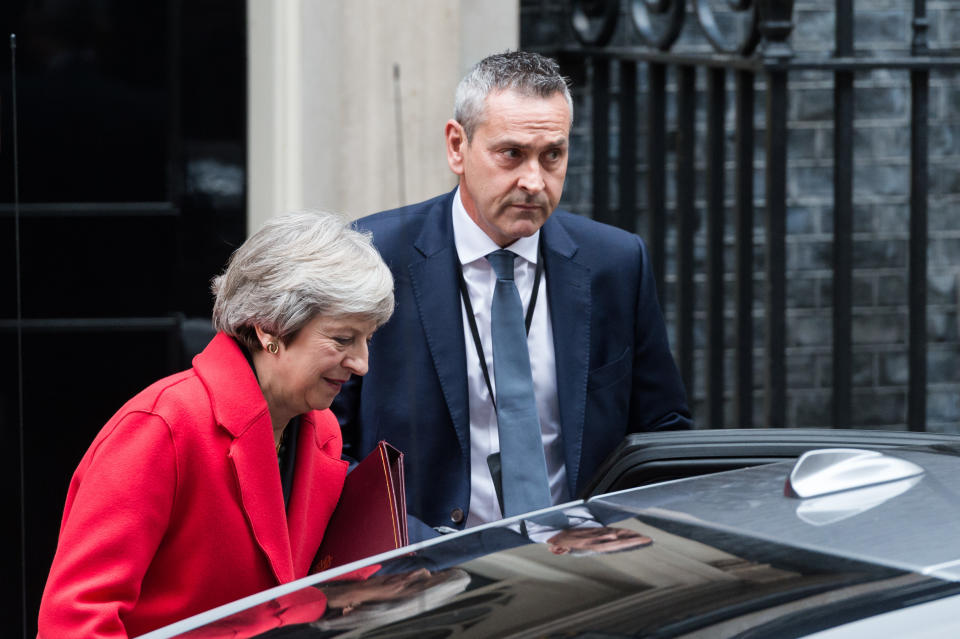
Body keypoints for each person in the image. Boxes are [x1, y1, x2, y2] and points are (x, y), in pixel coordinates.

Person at [333, 51, 690, 537]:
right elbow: (325, 447)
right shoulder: (374, 257)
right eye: (511, 154)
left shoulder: (616, 262)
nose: (533, 181)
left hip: (585, 566)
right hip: (424, 573)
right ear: (457, 146)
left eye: (552, 156)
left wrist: (626, 529)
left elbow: (662, 432)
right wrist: (408, 549)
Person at [37, 211, 395, 639]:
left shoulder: (322, 431)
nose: (361, 364)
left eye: (367, 339)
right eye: (342, 339)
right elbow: (74, 624)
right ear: (270, 328)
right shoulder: (160, 428)